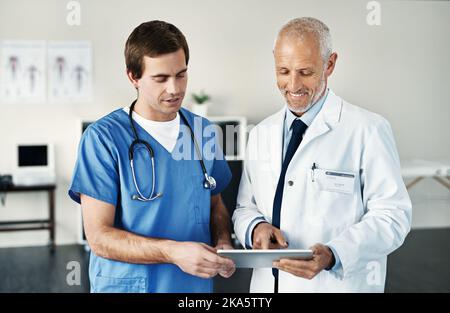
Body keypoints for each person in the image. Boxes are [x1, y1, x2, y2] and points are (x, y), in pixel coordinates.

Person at [232, 17, 412, 292]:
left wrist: (334, 254)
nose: (293, 85)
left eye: (305, 72)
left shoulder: (368, 129)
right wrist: (255, 228)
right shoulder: (261, 133)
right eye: (283, 71)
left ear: (330, 64)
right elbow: (246, 207)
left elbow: (393, 216)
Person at [68, 20, 235, 293]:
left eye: (181, 75)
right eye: (161, 79)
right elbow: (99, 237)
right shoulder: (103, 139)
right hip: (130, 286)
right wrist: (172, 252)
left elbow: (215, 205)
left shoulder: (202, 132)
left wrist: (224, 240)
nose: (175, 89)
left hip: (192, 288)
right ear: (133, 77)